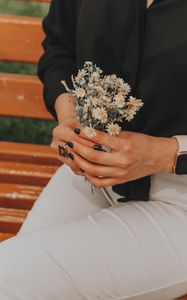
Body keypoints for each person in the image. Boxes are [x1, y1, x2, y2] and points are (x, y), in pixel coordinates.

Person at [0, 0, 187, 299]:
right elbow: (59, 46)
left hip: (181, 204)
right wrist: (70, 115)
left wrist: (164, 154)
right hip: (91, 175)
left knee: (7, 278)